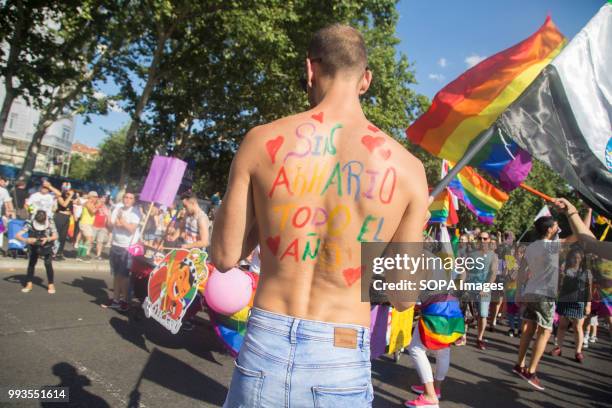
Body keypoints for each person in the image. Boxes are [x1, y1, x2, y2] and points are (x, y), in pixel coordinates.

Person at [212, 24, 428, 407]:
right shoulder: (409, 170)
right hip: (341, 352)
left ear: (310, 69)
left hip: (266, 342)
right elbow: (402, 297)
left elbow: (226, 257)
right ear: (366, 80)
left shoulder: (261, 141)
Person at [513, 215, 569, 390]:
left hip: (530, 292)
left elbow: (522, 270)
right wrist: (572, 212)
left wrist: (517, 292)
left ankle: (519, 365)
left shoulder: (531, 247)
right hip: (545, 295)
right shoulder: (552, 246)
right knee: (544, 332)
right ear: (549, 229)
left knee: (528, 329)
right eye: (556, 225)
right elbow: (580, 235)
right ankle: (531, 371)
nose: (558, 227)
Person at [550, 247, 591, 362]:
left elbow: (589, 290)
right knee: (562, 325)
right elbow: (559, 284)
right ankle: (558, 348)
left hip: (579, 302)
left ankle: (578, 352)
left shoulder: (586, 272)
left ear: (582, 259)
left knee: (577, 327)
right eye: (574, 257)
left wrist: (588, 305)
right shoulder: (564, 268)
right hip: (565, 300)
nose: (576, 260)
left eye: (578, 258)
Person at [102, 192, 140, 312]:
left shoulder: (136, 212)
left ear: (134, 200)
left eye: (130, 198)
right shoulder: (117, 208)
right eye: (126, 197)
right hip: (115, 245)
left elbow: (131, 229)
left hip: (127, 247)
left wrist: (122, 221)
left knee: (124, 277)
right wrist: (108, 216)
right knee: (116, 275)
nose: (127, 200)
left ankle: (125, 301)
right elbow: (110, 226)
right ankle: (116, 300)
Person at [464, 231, 498, 350]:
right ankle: (463, 336)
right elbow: (465, 270)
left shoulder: (493, 255)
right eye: (480, 238)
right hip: (470, 287)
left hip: (484, 289)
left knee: (482, 315)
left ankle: (479, 338)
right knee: (466, 313)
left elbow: (493, 273)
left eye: (485, 239)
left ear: (489, 240)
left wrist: (487, 287)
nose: (482, 241)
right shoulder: (471, 254)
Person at [16, 210, 58, 294]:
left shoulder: (50, 222)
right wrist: (27, 240)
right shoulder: (30, 223)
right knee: (31, 263)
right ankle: (29, 283)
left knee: (48, 263)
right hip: (33, 245)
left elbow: (55, 236)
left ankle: (51, 284)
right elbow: (17, 235)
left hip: (47, 245)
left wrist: (47, 239)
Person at [45, 181, 75, 261]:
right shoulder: (60, 196)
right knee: (56, 235)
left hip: (67, 217)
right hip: (60, 216)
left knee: (63, 236)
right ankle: (52, 253)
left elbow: (76, 203)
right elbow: (64, 204)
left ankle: (59, 253)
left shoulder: (70, 197)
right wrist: (70, 196)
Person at [77, 191, 98, 261]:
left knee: (84, 240)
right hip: (85, 223)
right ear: (90, 197)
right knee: (89, 239)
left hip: (87, 223)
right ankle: (84, 255)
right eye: (95, 197)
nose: (96, 198)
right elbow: (93, 211)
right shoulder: (88, 203)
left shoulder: (90, 203)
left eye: (97, 197)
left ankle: (79, 255)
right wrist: (98, 206)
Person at [0, 175, 16, 255]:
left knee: (1, 230)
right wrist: (13, 214)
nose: (5, 183)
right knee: (0, 231)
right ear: (1, 181)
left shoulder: (4, 190)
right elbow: (9, 203)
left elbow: (7, 203)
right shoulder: (3, 191)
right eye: (4, 181)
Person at [92, 195, 111, 260]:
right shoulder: (95, 205)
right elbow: (93, 211)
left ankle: (98, 255)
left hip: (103, 227)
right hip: (94, 225)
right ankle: (86, 253)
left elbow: (108, 216)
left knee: (100, 241)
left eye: (104, 199)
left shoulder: (106, 207)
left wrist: (108, 226)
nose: (103, 200)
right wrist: (98, 207)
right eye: (102, 198)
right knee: (91, 240)